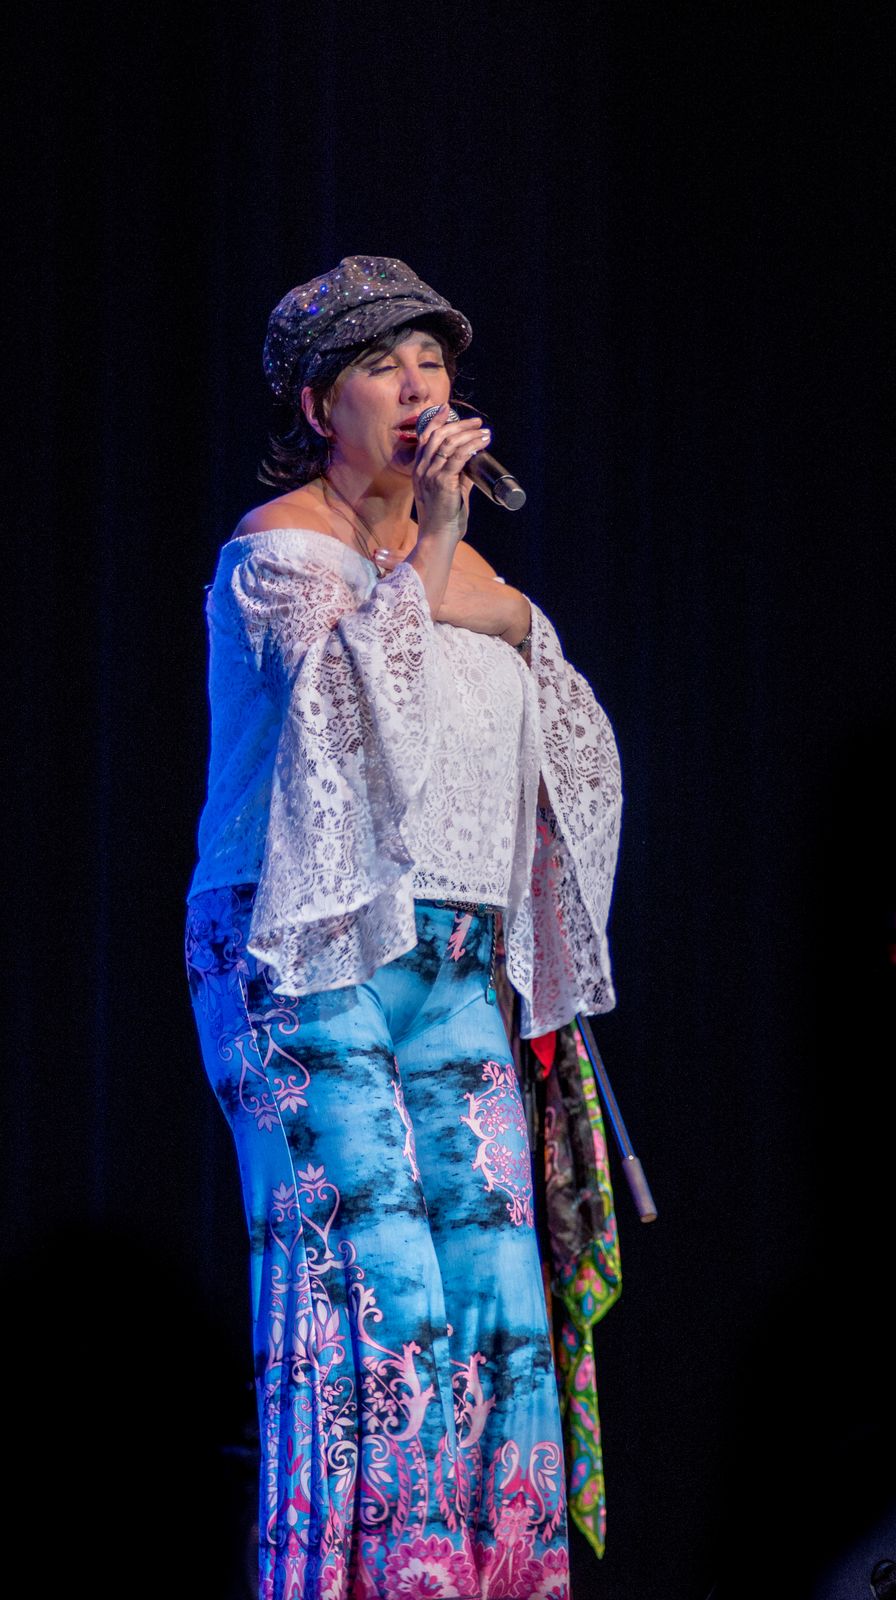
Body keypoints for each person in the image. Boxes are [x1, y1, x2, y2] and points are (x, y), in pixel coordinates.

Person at [184, 255, 623, 1600]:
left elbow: (562, 720)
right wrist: (431, 553)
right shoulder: (275, 553)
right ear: (322, 405)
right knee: (377, 1300)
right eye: (384, 364)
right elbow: (348, 713)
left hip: (454, 962)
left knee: (496, 1307)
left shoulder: (461, 561)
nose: (420, 384)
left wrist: (492, 598)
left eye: (433, 360)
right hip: (306, 954)